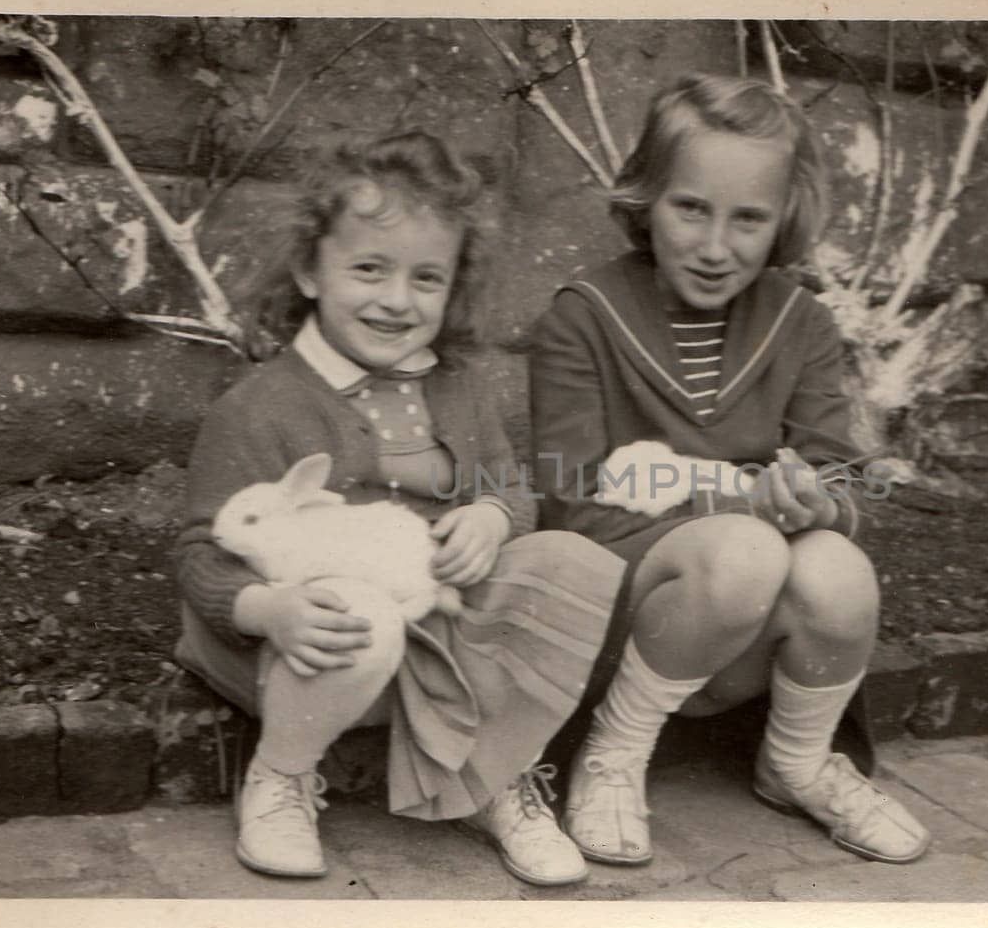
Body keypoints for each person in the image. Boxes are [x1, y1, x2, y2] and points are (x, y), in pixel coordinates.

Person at [175, 131, 622, 887]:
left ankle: (493, 776)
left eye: (426, 279)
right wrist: (268, 610)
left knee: (569, 563)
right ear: (310, 271)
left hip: (434, 616)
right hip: (302, 640)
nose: (395, 300)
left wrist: (490, 517)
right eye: (369, 269)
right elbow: (199, 550)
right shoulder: (262, 406)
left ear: (452, 291)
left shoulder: (459, 388)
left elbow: (511, 488)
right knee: (361, 614)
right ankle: (280, 777)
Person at [529, 73, 929, 868]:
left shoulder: (800, 320)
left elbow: (843, 481)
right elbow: (570, 498)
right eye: (691, 209)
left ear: (784, 218)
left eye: (748, 218)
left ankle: (797, 763)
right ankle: (611, 755)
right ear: (647, 199)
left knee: (838, 567)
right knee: (744, 549)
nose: (717, 247)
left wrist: (811, 499)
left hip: (737, 644)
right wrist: (738, 497)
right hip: (622, 621)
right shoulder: (584, 315)